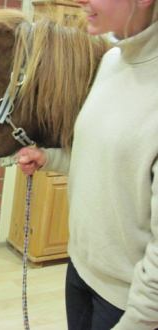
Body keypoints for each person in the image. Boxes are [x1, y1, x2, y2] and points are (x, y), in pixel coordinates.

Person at [17, 1, 158, 329]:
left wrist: (140, 320)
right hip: (80, 271)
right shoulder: (111, 61)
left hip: (128, 301)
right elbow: (107, 159)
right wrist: (50, 157)